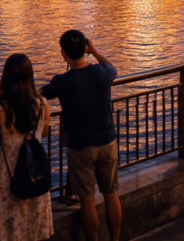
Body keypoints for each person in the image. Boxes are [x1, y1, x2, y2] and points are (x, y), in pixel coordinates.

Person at [40, 31, 121, 241]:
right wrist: (94, 51)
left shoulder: (61, 81)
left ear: (63, 53)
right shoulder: (102, 72)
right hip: (107, 141)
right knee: (111, 194)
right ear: (85, 48)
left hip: (80, 147)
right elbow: (114, 69)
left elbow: (39, 94)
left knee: (86, 200)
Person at [0, 54, 53, 241]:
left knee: (6, 229)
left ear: (6, 76)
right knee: (32, 228)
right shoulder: (42, 104)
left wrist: (2, 82)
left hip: (6, 174)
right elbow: (45, 133)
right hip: (34, 170)